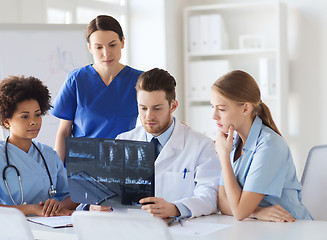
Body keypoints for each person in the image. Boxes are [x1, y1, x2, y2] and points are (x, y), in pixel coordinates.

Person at [90, 68, 221, 219]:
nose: (148, 116)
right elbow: (104, 191)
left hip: (178, 230)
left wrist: (175, 208)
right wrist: (97, 204)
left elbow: (210, 196)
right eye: (143, 108)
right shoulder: (122, 141)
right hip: (129, 228)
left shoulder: (201, 145)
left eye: (157, 108)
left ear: (173, 106)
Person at [0, 76, 78, 217]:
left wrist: (55, 206)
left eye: (37, 115)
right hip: (8, 228)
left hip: (49, 226)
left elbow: (73, 196)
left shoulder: (48, 154)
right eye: (25, 117)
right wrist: (31, 209)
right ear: (7, 121)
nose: (34, 122)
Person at [211, 70, 313, 221]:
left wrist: (224, 156)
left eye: (221, 109)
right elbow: (223, 203)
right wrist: (257, 212)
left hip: (292, 227)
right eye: (212, 107)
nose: (214, 116)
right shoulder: (232, 142)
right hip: (260, 227)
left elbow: (238, 212)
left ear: (246, 108)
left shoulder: (269, 145)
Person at [51, 15, 143, 163]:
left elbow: (155, 119)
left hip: (122, 165)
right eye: (99, 47)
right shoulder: (77, 79)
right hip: (81, 167)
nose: (106, 53)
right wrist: (57, 174)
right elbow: (64, 130)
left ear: (122, 42)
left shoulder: (140, 81)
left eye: (112, 45)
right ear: (90, 48)